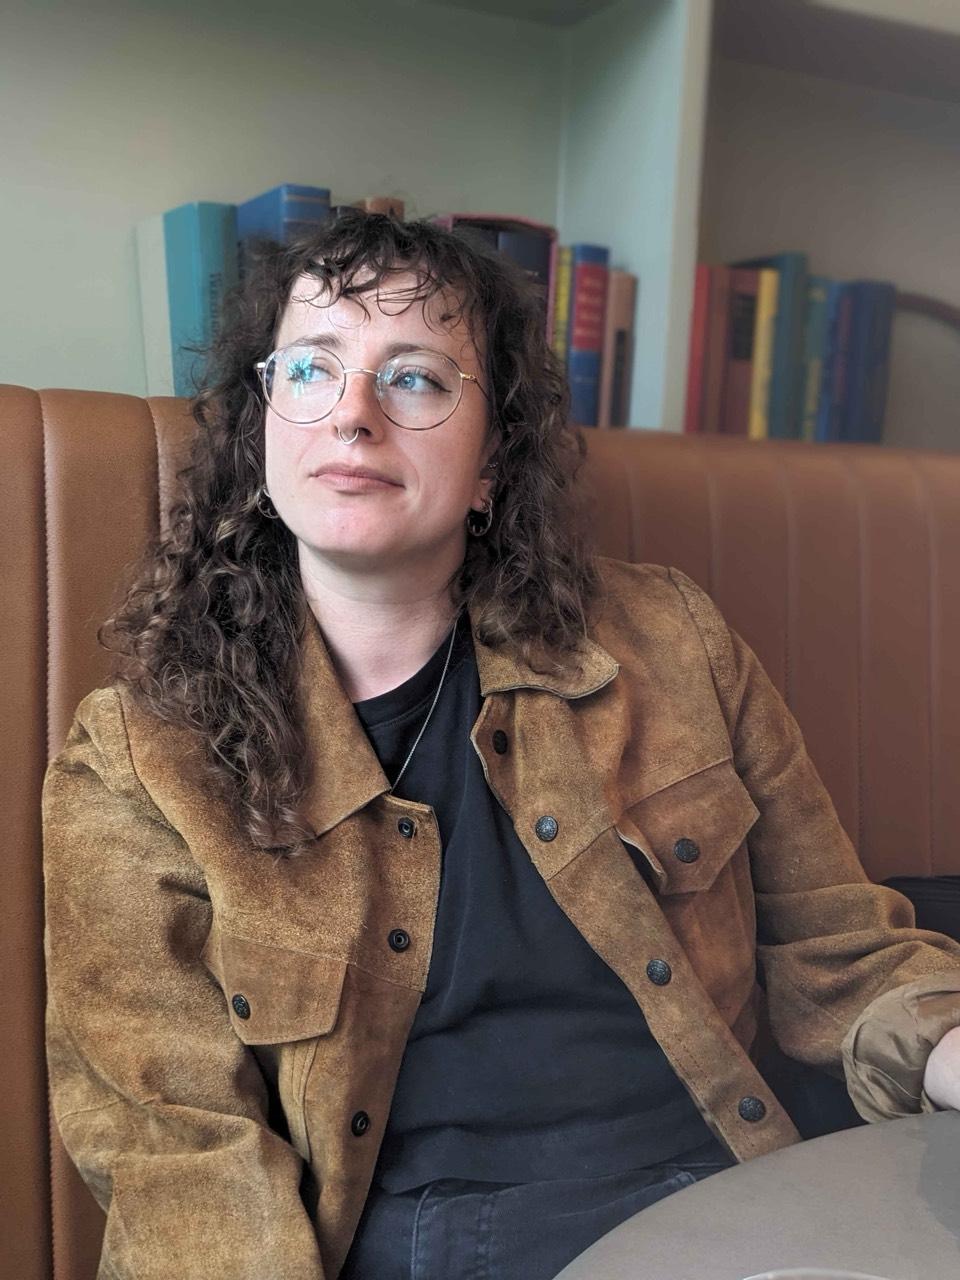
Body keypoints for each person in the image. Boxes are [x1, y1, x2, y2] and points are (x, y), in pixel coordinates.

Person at [43, 211, 960, 1280]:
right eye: (311, 369)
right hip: (420, 1243)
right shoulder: (139, 756)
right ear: (261, 436)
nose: (353, 416)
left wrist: (948, 1047)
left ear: (490, 464)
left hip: (723, 1193)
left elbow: (840, 951)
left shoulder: (674, 641)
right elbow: (178, 1155)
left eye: (415, 379)